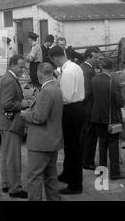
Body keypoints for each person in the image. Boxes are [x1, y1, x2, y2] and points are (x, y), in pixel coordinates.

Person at [20, 63, 63, 201]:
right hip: (53, 140)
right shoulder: (56, 88)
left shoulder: (46, 91)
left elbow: (39, 118)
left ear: (40, 75)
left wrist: (25, 114)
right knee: (51, 176)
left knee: (34, 177)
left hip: (40, 143)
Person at [0, 54, 31, 199]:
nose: (23, 69)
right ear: (12, 65)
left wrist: (3, 103)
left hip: (5, 122)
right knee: (13, 158)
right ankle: (15, 189)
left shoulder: (7, 77)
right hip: (10, 123)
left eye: (24, 66)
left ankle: (6, 184)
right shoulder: (9, 80)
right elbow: (8, 104)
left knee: (7, 156)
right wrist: (23, 104)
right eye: (21, 66)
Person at [49, 45, 85, 195]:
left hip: (71, 109)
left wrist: (54, 95)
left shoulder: (68, 71)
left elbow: (66, 97)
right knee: (70, 145)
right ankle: (67, 174)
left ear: (55, 58)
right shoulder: (75, 67)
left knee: (73, 147)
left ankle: (75, 185)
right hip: (77, 107)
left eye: (53, 61)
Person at [91, 57, 125, 180]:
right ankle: (115, 172)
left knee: (102, 144)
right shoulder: (113, 81)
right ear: (112, 67)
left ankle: (102, 170)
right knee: (113, 145)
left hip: (97, 117)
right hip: (111, 118)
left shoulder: (94, 79)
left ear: (101, 66)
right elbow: (120, 102)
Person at [80, 47, 101, 170]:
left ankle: (84, 159)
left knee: (85, 135)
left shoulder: (84, 67)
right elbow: (87, 92)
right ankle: (87, 161)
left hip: (85, 108)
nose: (97, 60)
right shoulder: (88, 71)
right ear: (88, 57)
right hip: (89, 108)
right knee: (90, 136)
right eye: (95, 58)